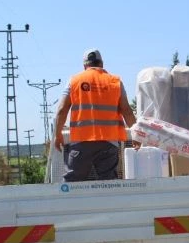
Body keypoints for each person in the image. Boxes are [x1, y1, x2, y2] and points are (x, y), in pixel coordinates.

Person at [53, 48, 137, 182]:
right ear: (102, 64)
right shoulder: (115, 82)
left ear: (85, 66)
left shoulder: (74, 81)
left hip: (81, 142)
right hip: (109, 142)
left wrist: (57, 135)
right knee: (109, 184)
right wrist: (136, 135)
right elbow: (127, 110)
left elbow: (62, 109)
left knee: (73, 184)